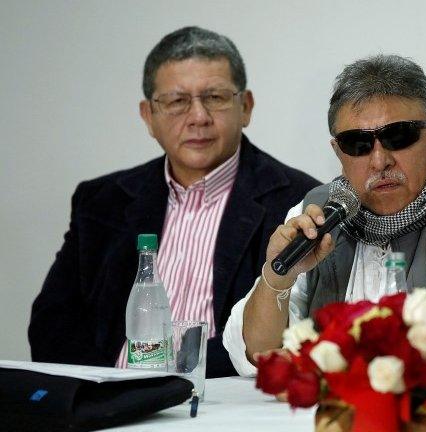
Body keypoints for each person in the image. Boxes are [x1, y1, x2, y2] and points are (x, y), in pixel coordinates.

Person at [28, 26, 320, 377]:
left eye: (215, 97)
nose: (198, 117)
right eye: (177, 101)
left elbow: (290, 335)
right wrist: (112, 391)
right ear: (148, 116)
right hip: (110, 403)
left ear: (245, 107)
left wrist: (175, 382)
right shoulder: (102, 201)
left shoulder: (298, 202)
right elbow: (52, 325)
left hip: (227, 406)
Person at [223, 54, 426, 376]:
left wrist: (313, 363)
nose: (379, 160)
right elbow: (253, 356)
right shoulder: (318, 213)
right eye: (357, 143)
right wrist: (279, 276)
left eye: (398, 136)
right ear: (338, 153)